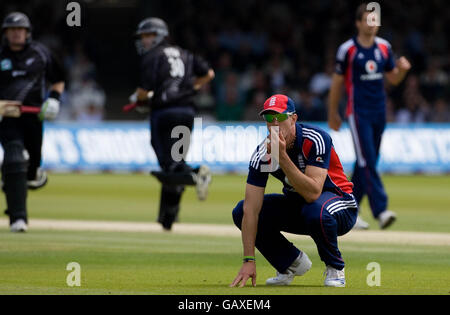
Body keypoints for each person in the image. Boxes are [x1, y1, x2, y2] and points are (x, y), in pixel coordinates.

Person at [230, 94, 357, 288]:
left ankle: (335, 266)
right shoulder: (263, 154)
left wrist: (282, 158)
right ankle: (290, 263)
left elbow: (313, 192)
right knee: (241, 211)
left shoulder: (315, 139)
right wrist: (249, 260)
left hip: (340, 206)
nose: (275, 125)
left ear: (293, 118)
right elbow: (251, 209)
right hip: (302, 207)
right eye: (268, 119)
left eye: (280, 118)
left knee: (316, 210)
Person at [328, 3, 411, 230]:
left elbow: (393, 78)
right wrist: (332, 112)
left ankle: (348, 210)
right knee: (367, 160)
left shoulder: (384, 47)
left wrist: (402, 70)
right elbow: (337, 83)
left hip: (379, 111)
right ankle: (381, 210)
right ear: (358, 23)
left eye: (375, 20)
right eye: (368, 20)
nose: (372, 24)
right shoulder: (348, 50)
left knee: (367, 161)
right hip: (358, 112)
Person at [130, 17, 215, 231]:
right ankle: (168, 218)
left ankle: (196, 174)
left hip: (164, 114)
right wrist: (191, 88)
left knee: (169, 166)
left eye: (147, 35)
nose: (144, 40)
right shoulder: (185, 54)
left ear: (158, 35)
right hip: (186, 112)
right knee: (176, 162)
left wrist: (139, 100)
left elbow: (143, 91)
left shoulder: (152, 56)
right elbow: (209, 74)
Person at [0, 12, 65, 232]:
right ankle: (18, 218)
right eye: (12, 30)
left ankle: (23, 177)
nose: (16, 33)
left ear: (27, 32)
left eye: (20, 29)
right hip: (7, 118)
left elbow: (58, 80)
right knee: (14, 157)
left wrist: (54, 100)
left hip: (34, 117)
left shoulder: (41, 53)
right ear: (6, 33)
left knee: (30, 169)